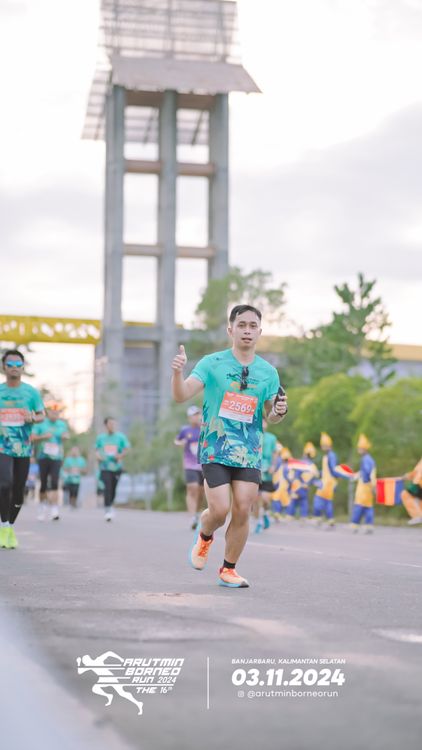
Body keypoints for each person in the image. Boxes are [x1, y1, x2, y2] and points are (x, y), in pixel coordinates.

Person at [171, 304, 288, 588]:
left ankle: (228, 569)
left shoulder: (268, 372)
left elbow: (271, 416)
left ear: (260, 331)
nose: (247, 330)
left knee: (243, 508)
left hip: (249, 451)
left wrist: (279, 412)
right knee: (220, 510)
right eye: (241, 325)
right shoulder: (212, 363)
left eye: (252, 326)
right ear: (230, 330)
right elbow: (182, 395)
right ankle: (205, 533)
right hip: (216, 447)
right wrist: (177, 373)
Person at [0, 349, 45, 549]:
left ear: (22, 367)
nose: (14, 368)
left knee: (19, 490)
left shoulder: (31, 392)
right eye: (10, 364)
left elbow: (41, 415)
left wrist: (32, 418)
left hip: (23, 449)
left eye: (18, 365)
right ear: (4, 367)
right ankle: (3, 526)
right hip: (2, 446)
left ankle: (10, 526)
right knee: (4, 484)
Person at [31, 402, 70, 521]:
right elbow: (32, 437)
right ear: (48, 413)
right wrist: (43, 437)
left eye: (57, 413)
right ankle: (42, 506)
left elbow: (66, 435)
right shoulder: (41, 423)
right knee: (43, 482)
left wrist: (65, 437)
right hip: (43, 457)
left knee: (54, 481)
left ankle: (54, 508)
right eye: (53, 412)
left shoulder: (62, 424)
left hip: (57, 457)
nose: (55, 415)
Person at [312, 432, 353, 528]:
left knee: (318, 499)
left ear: (327, 445)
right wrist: (319, 473)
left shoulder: (331, 456)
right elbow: (327, 470)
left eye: (323, 445)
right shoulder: (327, 456)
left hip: (328, 483)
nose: (322, 447)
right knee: (327, 501)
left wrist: (344, 476)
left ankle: (319, 518)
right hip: (326, 481)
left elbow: (333, 470)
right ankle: (330, 520)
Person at [174, 405, 204, 530]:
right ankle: (192, 517)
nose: (196, 417)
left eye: (198, 414)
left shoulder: (205, 428)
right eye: (194, 415)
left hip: (204, 465)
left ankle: (197, 514)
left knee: (201, 492)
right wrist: (180, 443)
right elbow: (176, 441)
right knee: (192, 488)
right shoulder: (185, 430)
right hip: (190, 465)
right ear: (189, 418)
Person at [95, 417, 130, 521]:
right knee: (107, 487)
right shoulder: (101, 438)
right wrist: (98, 456)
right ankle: (107, 509)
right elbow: (96, 450)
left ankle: (110, 505)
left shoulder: (120, 437)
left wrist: (120, 456)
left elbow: (126, 449)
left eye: (113, 424)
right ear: (106, 425)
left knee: (113, 488)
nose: (112, 426)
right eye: (110, 424)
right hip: (105, 467)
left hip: (116, 467)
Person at [253, 418, 277, 533]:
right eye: (260, 422)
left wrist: (273, 466)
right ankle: (259, 522)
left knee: (266, 498)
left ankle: (266, 513)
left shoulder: (272, 438)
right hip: (255, 469)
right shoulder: (253, 435)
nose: (262, 424)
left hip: (267, 471)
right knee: (256, 499)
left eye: (264, 422)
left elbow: (275, 453)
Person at [286, 442, 320, 521]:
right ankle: (303, 516)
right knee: (303, 501)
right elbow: (316, 476)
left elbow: (296, 474)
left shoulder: (301, 462)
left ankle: (290, 515)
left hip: (297, 485)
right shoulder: (312, 465)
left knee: (294, 500)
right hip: (304, 486)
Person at [350, 434, 377, 533]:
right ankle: (369, 526)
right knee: (368, 506)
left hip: (364, 487)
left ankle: (355, 525)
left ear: (364, 449)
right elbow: (365, 472)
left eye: (359, 448)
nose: (358, 450)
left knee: (359, 505)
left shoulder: (365, 459)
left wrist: (363, 480)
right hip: (369, 486)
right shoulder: (370, 459)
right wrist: (357, 475)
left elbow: (367, 472)